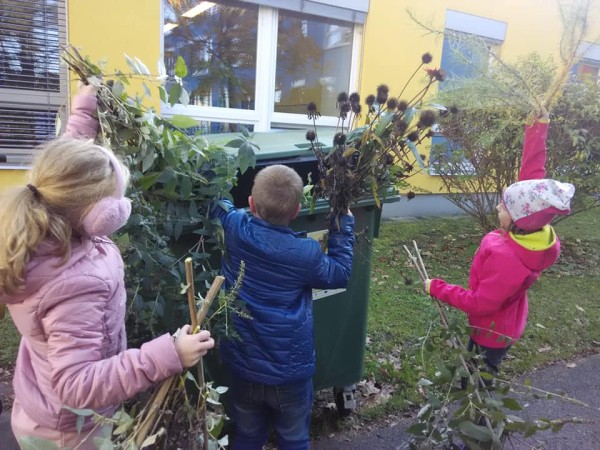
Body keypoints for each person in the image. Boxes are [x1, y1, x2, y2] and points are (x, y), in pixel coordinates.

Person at [0, 86, 215, 449]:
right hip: (71, 434)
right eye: (115, 199)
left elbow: (67, 165)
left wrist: (85, 114)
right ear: (97, 215)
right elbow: (76, 384)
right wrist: (168, 355)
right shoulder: (74, 286)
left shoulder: (43, 216)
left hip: (41, 408)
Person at [209, 164, 355, 450]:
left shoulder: (236, 228)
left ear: (251, 204)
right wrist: (343, 224)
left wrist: (213, 178)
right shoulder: (307, 254)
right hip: (290, 375)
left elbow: (218, 207)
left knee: (248, 436)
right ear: (297, 211)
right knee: (294, 439)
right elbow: (340, 273)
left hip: (243, 367)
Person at [424, 108, 575, 377]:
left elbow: (481, 303)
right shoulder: (531, 231)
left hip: (491, 331)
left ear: (519, 218)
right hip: (498, 322)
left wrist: (437, 288)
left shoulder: (509, 259)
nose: (497, 208)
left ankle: (478, 417)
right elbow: (532, 177)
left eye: (504, 207)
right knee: (473, 369)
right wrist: (537, 128)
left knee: (478, 379)